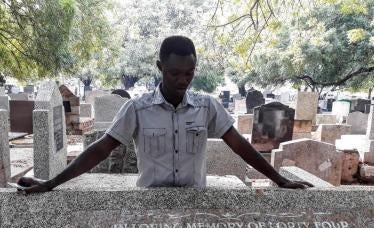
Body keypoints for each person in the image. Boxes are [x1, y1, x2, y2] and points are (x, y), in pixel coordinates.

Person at [17, 36, 312, 193]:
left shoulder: (207, 106)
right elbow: (101, 150)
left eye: (189, 73)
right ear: (160, 67)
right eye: (174, 73)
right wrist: (51, 183)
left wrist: (279, 179)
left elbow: (240, 146)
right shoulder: (137, 108)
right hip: (149, 206)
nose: (183, 80)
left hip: (194, 205)